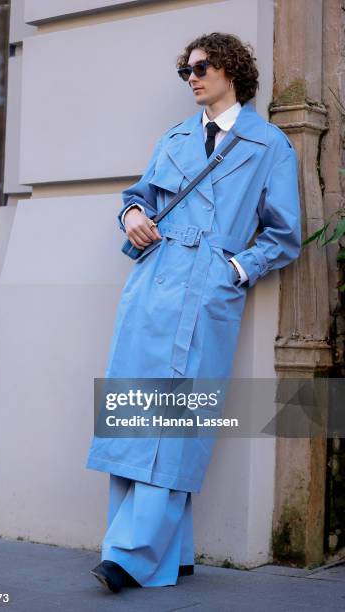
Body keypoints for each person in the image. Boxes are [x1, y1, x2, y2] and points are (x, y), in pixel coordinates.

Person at [86, 32, 302, 593]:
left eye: (202, 67)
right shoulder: (175, 137)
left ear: (231, 70)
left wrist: (233, 272)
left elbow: (283, 235)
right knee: (137, 411)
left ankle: (130, 554)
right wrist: (132, 214)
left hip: (206, 290)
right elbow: (139, 197)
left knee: (178, 418)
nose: (193, 77)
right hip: (153, 284)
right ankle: (171, 552)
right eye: (186, 70)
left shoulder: (269, 146)